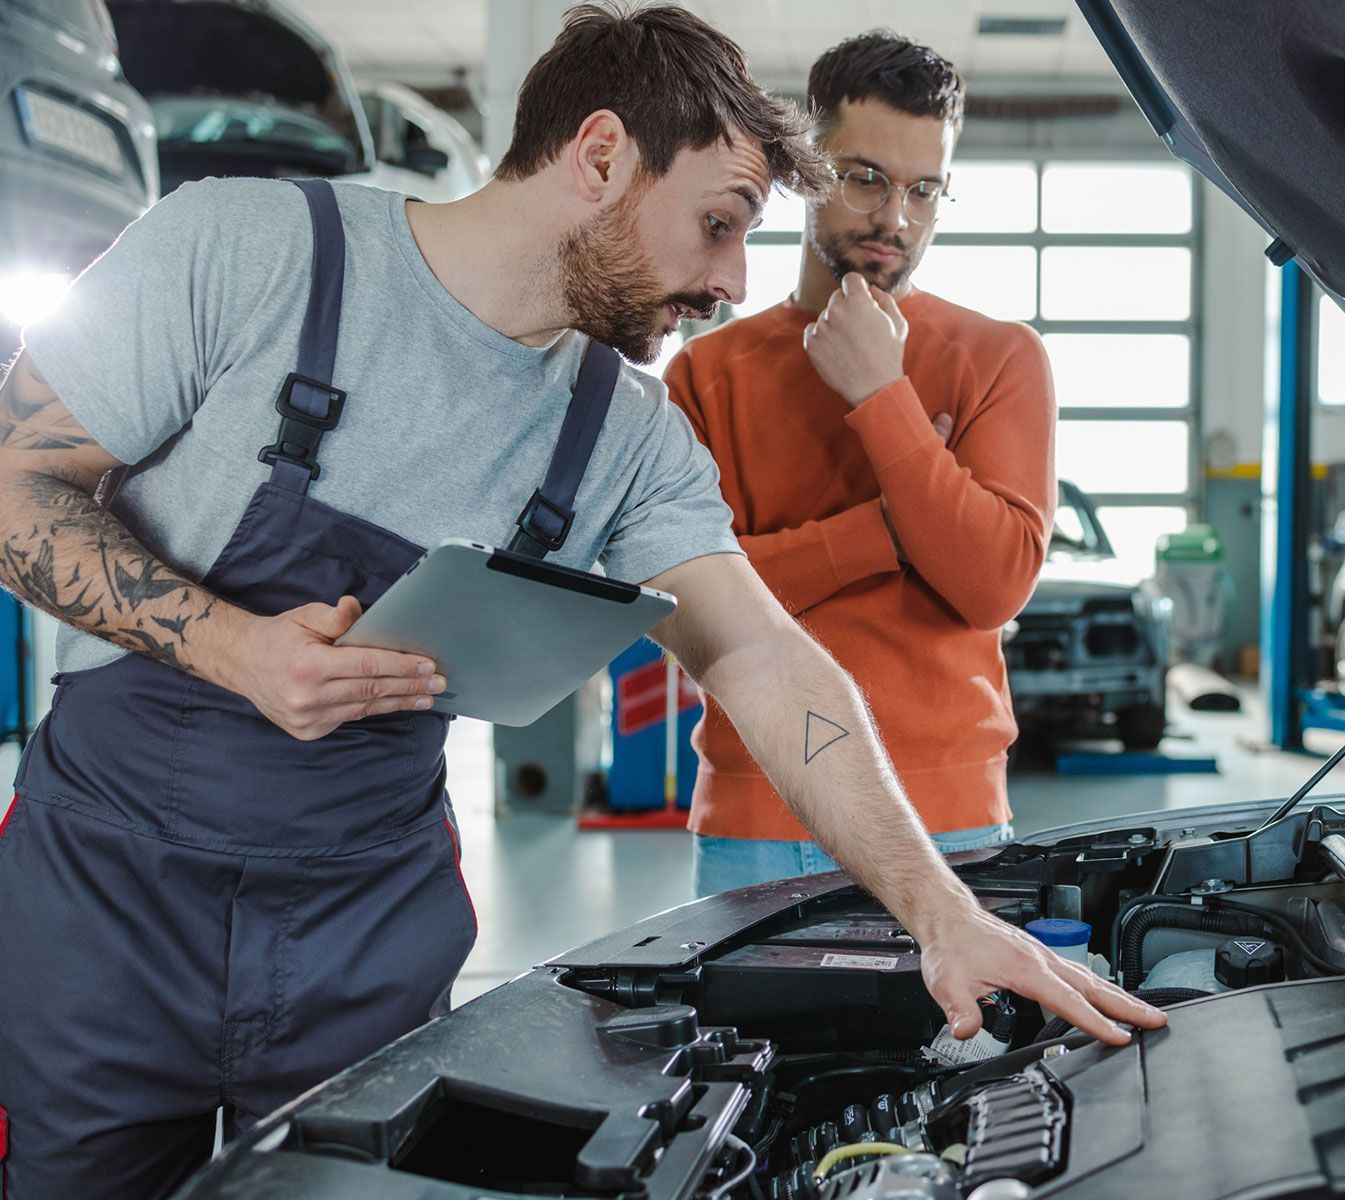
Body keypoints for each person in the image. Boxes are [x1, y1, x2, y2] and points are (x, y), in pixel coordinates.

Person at [0, 7, 1159, 1196]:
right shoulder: (246, 250)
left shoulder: (623, 433)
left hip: (362, 923)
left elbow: (762, 656)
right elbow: (12, 481)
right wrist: (234, 649)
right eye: (717, 225)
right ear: (600, 156)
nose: (730, 282)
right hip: (108, 906)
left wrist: (939, 908)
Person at [668, 32, 1056, 896]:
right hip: (757, 820)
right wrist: (890, 530)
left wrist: (881, 394)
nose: (896, 219)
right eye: (865, 177)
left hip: (952, 823)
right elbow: (694, 615)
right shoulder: (705, 373)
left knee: (958, 1043)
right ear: (805, 166)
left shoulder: (999, 358)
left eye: (925, 189)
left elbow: (991, 583)